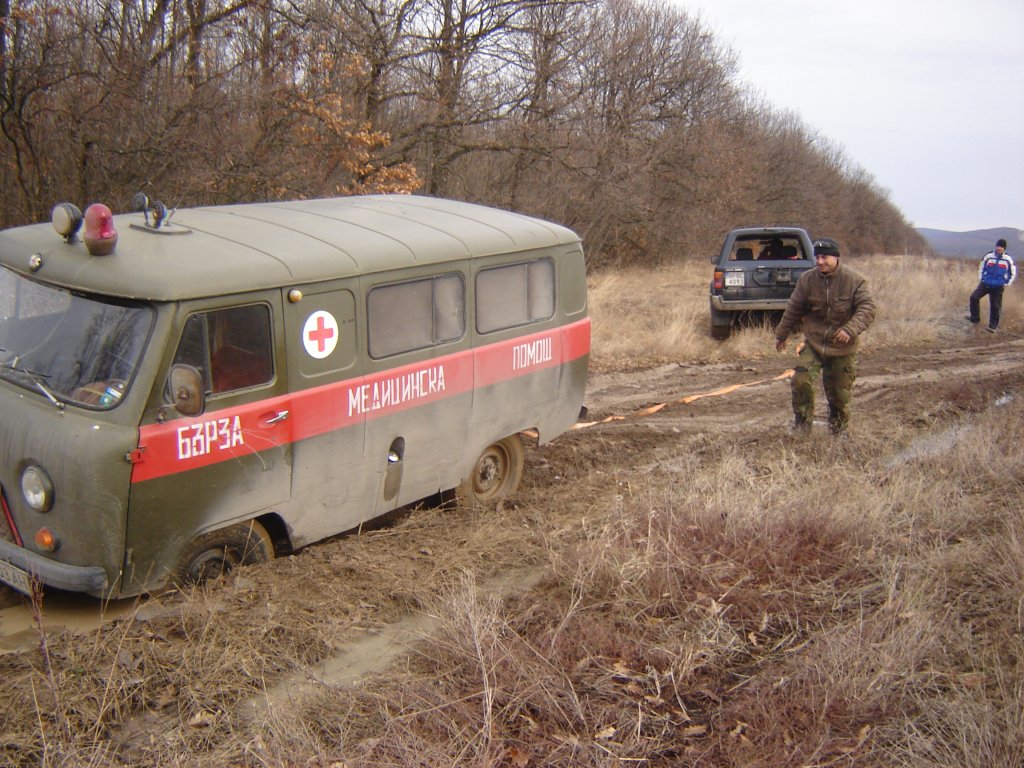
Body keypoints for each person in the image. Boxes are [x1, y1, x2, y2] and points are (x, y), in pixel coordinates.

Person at [774, 238, 877, 434]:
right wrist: (781, 335)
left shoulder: (855, 281)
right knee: (800, 381)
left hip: (842, 348)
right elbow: (793, 308)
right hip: (813, 343)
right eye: (817, 257)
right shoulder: (807, 279)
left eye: (824, 257)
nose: (820, 262)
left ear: (836, 257)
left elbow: (868, 309)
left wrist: (850, 329)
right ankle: (802, 426)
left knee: (838, 394)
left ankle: (838, 430)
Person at [968, 238, 1015, 332]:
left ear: (1004, 248)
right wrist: (981, 278)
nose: (999, 248)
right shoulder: (988, 256)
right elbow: (981, 267)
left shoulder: (1007, 259)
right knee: (974, 297)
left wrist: (1006, 283)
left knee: (995, 306)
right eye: (998, 246)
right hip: (985, 283)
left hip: (998, 286)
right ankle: (975, 319)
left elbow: (1012, 273)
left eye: (1001, 247)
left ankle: (992, 326)